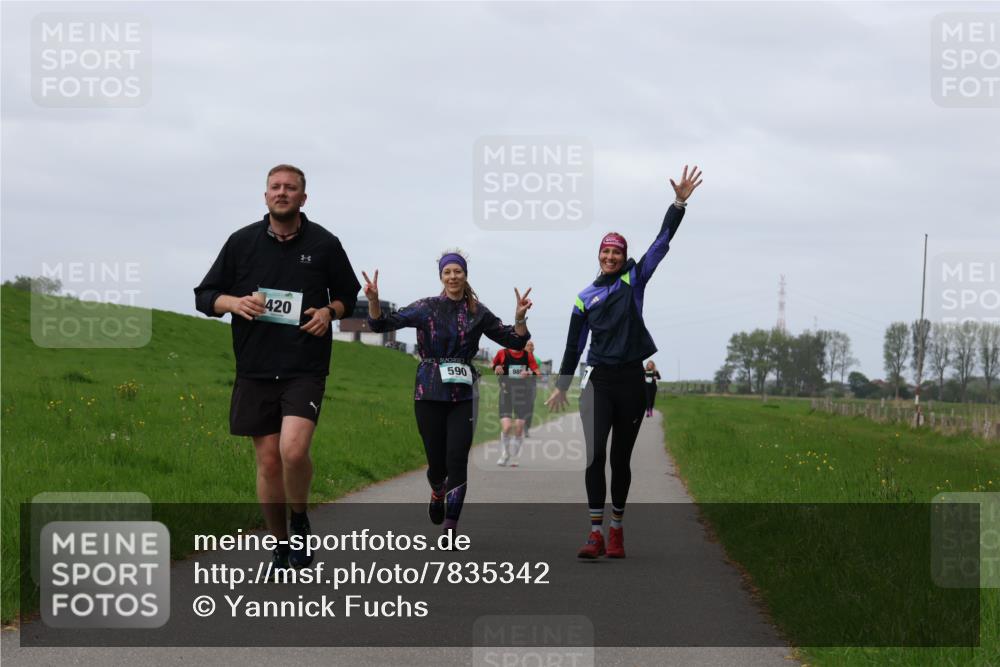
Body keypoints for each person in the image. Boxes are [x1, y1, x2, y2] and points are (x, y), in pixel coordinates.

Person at [194, 164, 360, 571]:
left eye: (291, 188)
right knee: (268, 461)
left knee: (293, 449)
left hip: (305, 365)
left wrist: (328, 311)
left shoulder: (324, 243)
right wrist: (234, 303)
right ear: (265, 195)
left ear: (304, 198)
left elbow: (348, 295)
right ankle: (280, 545)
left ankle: (300, 518)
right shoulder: (241, 242)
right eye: (275, 187)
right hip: (254, 366)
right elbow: (205, 296)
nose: (282, 193)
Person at [546, 165, 703, 559]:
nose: (611, 256)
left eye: (617, 251)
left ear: (623, 256)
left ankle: (617, 529)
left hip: (632, 382)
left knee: (620, 459)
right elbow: (573, 345)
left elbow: (660, 244)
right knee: (596, 456)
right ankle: (595, 533)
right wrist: (562, 386)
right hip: (598, 382)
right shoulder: (584, 298)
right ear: (598, 256)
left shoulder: (634, 281)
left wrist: (678, 204)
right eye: (605, 251)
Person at [365, 251, 532, 536]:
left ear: (465, 275)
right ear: (441, 276)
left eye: (458, 271)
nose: (453, 276)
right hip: (428, 391)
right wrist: (373, 302)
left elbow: (514, 340)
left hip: (464, 396)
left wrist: (519, 318)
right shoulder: (426, 307)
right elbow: (381, 324)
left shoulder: (478, 312)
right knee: (437, 463)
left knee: (457, 458)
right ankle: (437, 490)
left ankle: (451, 527)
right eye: (447, 272)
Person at [492, 341, 540, 466]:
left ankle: (515, 456)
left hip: (522, 395)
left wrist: (529, 373)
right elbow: (493, 365)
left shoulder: (527, 355)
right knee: (507, 427)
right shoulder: (502, 353)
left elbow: (537, 372)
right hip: (506, 393)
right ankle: (505, 454)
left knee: (519, 428)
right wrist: (496, 368)